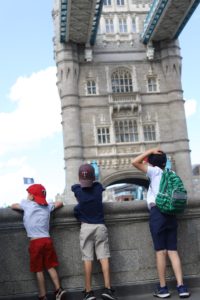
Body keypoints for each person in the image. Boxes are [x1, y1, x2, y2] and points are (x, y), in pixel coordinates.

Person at [132, 148, 190, 299]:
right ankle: (181, 287)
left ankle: (163, 289)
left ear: (151, 163)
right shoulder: (171, 174)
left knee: (160, 251)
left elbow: (134, 162)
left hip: (158, 213)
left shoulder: (154, 172)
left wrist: (150, 150)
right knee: (173, 251)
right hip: (171, 214)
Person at [11, 184, 67, 300]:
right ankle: (58, 289)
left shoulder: (27, 204)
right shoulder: (47, 207)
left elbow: (13, 206)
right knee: (50, 266)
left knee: (39, 270)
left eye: (28, 193)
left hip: (35, 243)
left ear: (31, 196)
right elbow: (59, 203)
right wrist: (50, 203)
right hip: (47, 240)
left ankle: (42, 295)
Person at [71, 164, 117, 300]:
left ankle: (89, 291)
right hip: (100, 227)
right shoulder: (98, 188)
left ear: (79, 178)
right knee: (104, 258)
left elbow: (76, 195)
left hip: (86, 227)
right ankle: (108, 289)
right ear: (94, 177)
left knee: (87, 259)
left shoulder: (77, 190)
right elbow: (99, 185)